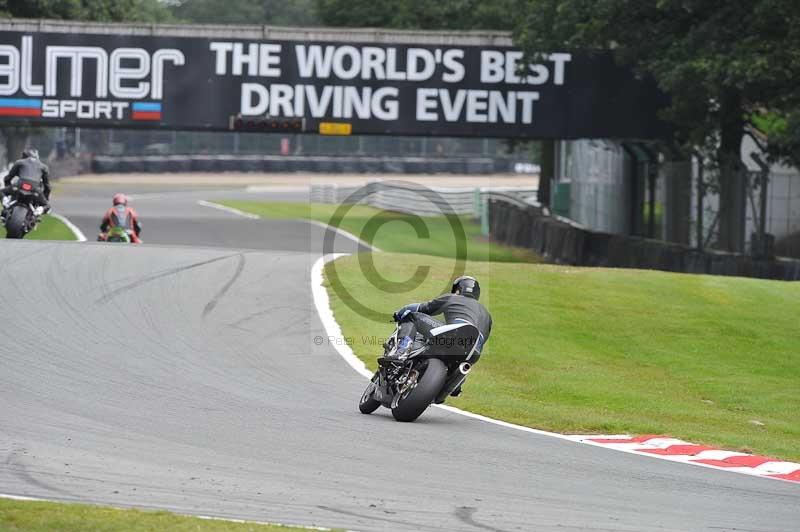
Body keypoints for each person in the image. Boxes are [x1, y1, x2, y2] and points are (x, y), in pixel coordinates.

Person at [389, 276, 492, 395]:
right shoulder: (487, 316)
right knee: (463, 361)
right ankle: (456, 382)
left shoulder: (452, 298)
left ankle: (401, 352)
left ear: (458, 289)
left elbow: (423, 308)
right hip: (473, 351)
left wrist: (399, 313)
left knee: (413, 317)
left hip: (454, 334)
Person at [1, 148, 51, 212]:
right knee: (47, 206)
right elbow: (47, 187)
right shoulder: (44, 167)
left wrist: (8, 192)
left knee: (1, 192)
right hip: (35, 188)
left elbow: (7, 178)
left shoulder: (19, 162)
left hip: (20, 184)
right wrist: (45, 199)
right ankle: (39, 210)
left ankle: (6, 203)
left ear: (24, 156)